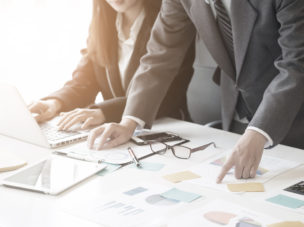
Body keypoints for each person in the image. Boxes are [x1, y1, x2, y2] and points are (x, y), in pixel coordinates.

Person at [87, 0, 304, 183]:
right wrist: (129, 122)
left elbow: (296, 64)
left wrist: (259, 132)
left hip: (294, 112)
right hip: (237, 112)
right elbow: (161, 54)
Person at [28, 0, 194, 134]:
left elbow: (168, 96)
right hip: (113, 132)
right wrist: (54, 103)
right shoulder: (103, 26)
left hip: (165, 130)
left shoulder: (171, 25)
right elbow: (83, 83)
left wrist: (105, 112)